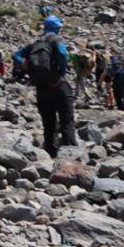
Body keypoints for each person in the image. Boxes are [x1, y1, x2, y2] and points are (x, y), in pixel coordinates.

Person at [12, 15, 76, 156]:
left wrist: (24, 63)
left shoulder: (34, 42)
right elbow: (62, 54)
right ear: (56, 27)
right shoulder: (55, 39)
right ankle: (71, 154)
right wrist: (61, 72)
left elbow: (15, 55)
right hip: (59, 86)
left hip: (41, 88)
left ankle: (50, 154)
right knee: (67, 120)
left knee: (48, 124)